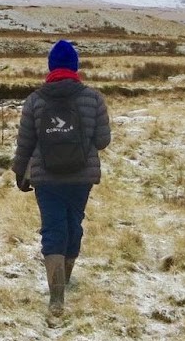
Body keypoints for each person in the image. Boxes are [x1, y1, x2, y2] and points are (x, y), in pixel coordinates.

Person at [13, 39, 111, 320]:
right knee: (73, 225)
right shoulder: (93, 99)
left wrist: (20, 172)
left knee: (53, 229)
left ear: (51, 67)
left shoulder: (35, 100)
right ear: (75, 67)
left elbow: (25, 143)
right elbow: (103, 141)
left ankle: (57, 298)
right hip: (81, 177)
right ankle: (65, 278)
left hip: (47, 178)